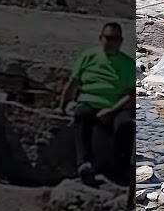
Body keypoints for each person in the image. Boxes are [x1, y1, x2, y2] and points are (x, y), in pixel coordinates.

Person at [58, 22, 136, 183]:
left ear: (120, 41)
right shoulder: (88, 56)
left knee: (126, 125)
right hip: (89, 103)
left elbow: (130, 95)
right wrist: (61, 106)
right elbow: (72, 83)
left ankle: (121, 171)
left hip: (115, 106)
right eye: (107, 38)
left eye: (114, 39)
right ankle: (84, 164)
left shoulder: (128, 64)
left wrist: (112, 111)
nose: (109, 42)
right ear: (101, 38)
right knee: (81, 115)